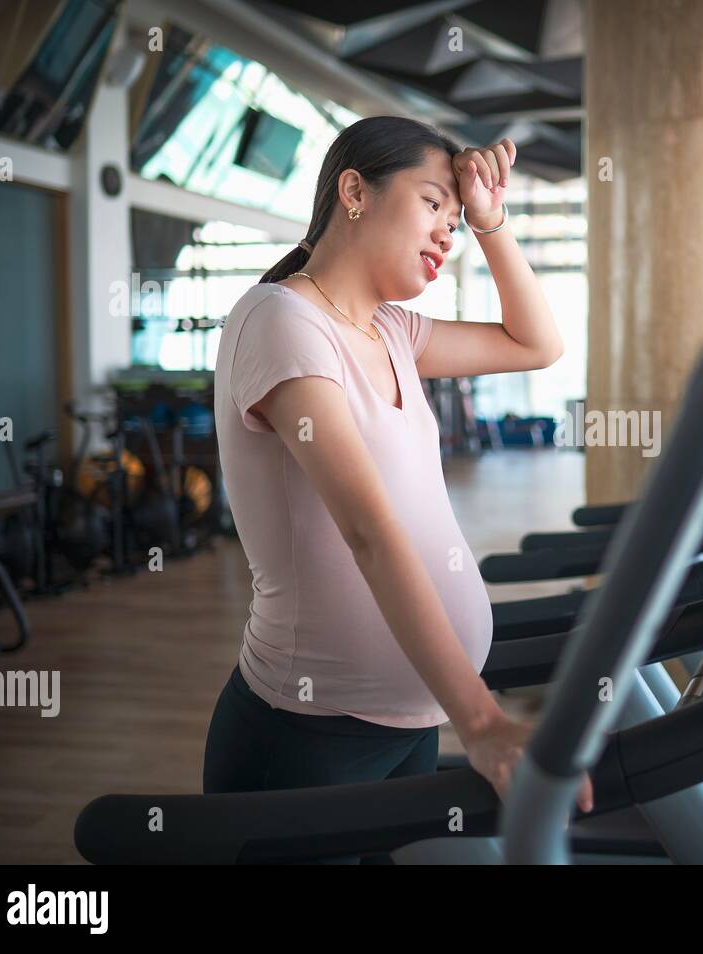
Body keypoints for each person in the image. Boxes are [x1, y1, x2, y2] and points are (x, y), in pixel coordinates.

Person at [203, 117, 592, 855]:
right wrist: (480, 723)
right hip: (308, 736)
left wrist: (490, 221)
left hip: (410, 721)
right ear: (355, 191)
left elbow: (537, 344)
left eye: (454, 217)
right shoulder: (279, 319)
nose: (448, 232)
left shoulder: (392, 331)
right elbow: (368, 534)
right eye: (432, 204)